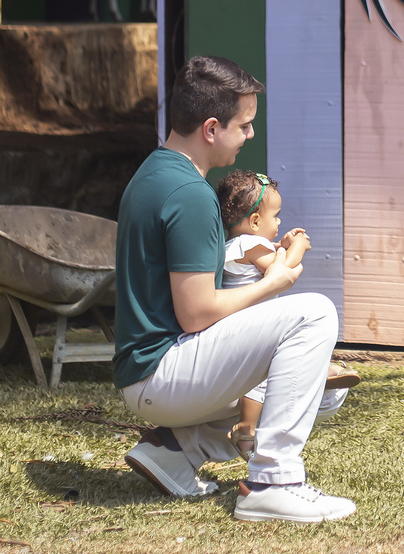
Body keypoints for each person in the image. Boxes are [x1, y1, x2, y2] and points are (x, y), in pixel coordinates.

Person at [114, 54, 356, 523]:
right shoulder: (189, 194)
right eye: (244, 125)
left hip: (147, 371)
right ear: (211, 128)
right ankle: (272, 482)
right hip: (160, 375)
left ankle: (175, 450)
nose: (250, 134)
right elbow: (197, 312)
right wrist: (274, 283)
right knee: (315, 314)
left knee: (323, 391)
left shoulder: (156, 171)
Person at [214, 169, 360, 459]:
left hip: (240, 327)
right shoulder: (250, 245)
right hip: (252, 328)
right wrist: (298, 248)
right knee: (263, 375)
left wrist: (281, 245)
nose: (279, 222)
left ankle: (319, 371)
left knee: (277, 362)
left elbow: (269, 257)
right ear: (256, 222)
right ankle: (246, 428)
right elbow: (282, 269)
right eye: (276, 216)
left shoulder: (234, 245)